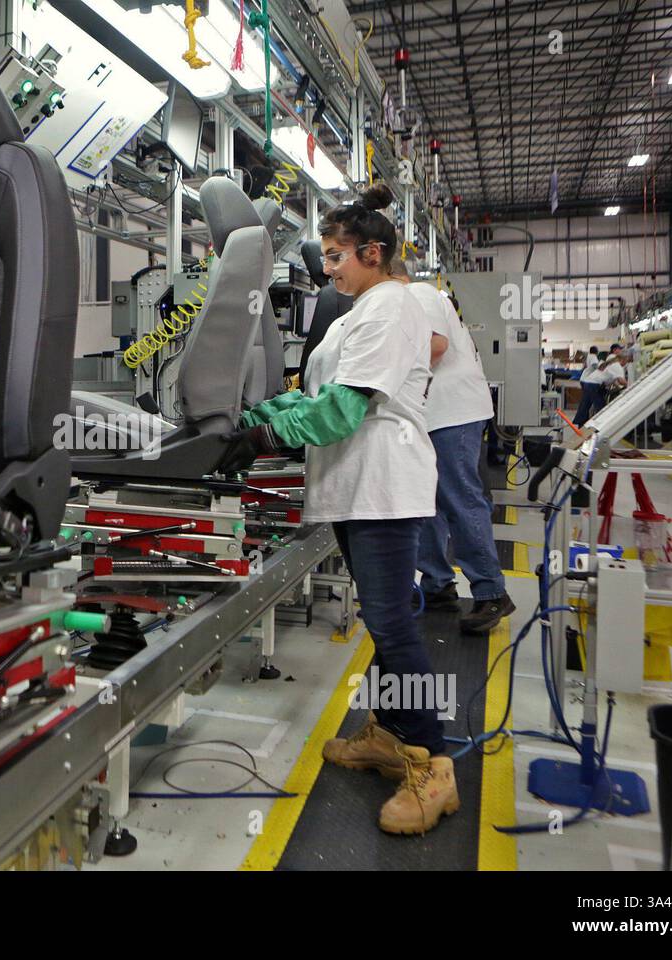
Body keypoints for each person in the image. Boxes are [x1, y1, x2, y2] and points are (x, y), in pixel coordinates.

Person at [224, 183, 457, 835]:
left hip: (383, 483)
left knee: (394, 624)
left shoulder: (391, 309)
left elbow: (346, 409)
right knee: (384, 624)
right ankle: (386, 738)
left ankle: (432, 765)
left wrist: (264, 438)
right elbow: (315, 396)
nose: (325, 269)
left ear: (372, 253)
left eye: (335, 256)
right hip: (358, 485)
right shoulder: (359, 313)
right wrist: (257, 416)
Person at [393, 262, 515, 634]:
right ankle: (437, 584)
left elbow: (436, 345)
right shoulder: (403, 301)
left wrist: (388, 378)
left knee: (459, 498)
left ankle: (491, 592)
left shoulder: (418, 293)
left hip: (453, 413)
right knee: (424, 500)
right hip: (431, 416)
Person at [574, 349, 606, 425]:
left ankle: (582, 421)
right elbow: (596, 366)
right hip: (588, 382)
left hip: (586, 381)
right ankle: (584, 421)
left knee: (586, 402)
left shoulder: (592, 358)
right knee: (595, 402)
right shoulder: (595, 358)